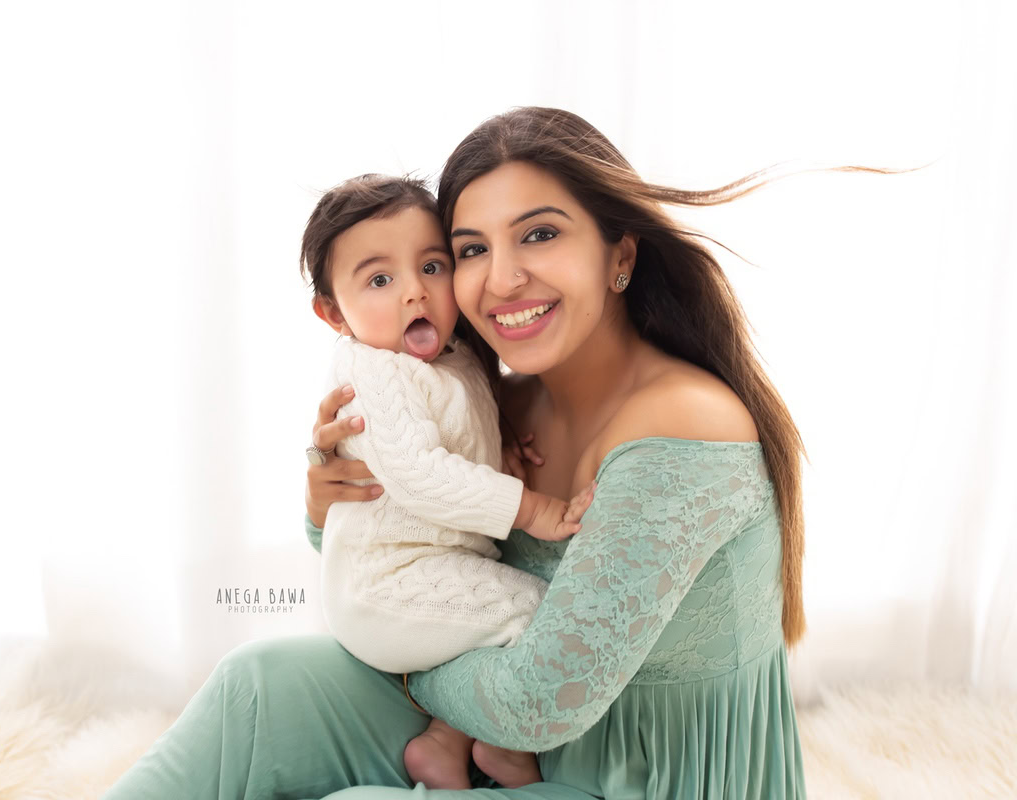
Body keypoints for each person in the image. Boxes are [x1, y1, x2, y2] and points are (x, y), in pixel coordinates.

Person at [103, 106, 813, 799]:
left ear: (618, 253)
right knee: (256, 683)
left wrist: (407, 670)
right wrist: (331, 496)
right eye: (472, 249)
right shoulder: (507, 400)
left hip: (637, 777)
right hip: (503, 740)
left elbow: (542, 699)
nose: (500, 280)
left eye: (538, 234)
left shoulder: (681, 424)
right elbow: (421, 552)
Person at [299, 172, 597, 789]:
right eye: (380, 280)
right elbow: (423, 476)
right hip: (383, 585)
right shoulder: (370, 370)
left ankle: (444, 743)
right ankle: (501, 746)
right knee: (534, 610)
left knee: (498, 616)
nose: (415, 293)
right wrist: (532, 508)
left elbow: (460, 427)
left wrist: (502, 438)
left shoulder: (453, 357)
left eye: (432, 267)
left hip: (424, 572)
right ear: (333, 312)